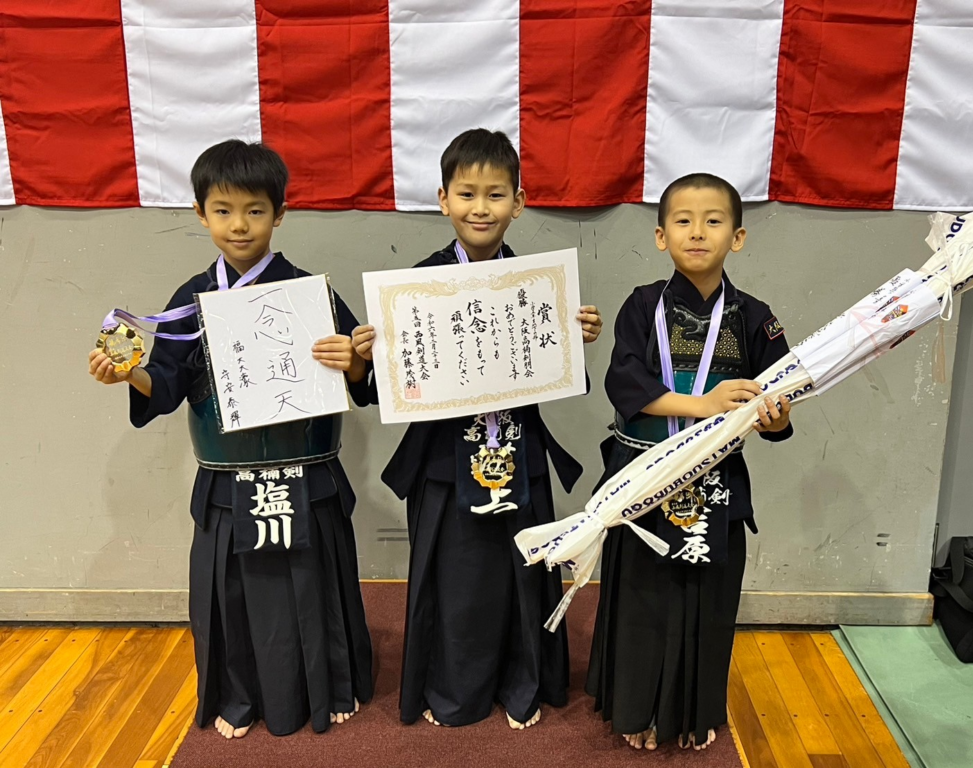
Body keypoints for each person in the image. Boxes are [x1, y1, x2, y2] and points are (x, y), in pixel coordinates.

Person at [87, 140, 375, 739]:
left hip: (306, 473)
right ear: (201, 214)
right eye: (223, 210)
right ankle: (239, 696)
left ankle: (330, 686)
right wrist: (130, 374)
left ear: (280, 214)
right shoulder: (190, 302)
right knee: (233, 592)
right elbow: (166, 382)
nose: (239, 224)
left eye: (254, 210)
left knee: (314, 582)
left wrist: (353, 360)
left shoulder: (311, 292)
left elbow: (363, 377)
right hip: (229, 479)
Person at [360, 128, 602, 729]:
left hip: (519, 451)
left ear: (518, 203)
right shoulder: (415, 287)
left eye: (496, 195)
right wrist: (373, 357)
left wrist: (575, 339)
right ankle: (455, 692)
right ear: (443, 199)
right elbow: (389, 390)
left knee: (523, 574)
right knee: (456, 582)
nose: (480, 208)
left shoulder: (538, 284)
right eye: (467, 194)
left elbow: (567, 380)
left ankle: (523, 685)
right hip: (445, 460)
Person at [586, 173, 793, 751]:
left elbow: (780, 409)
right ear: (661, 236)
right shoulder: (642, 305)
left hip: (714, 480)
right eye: (683, 220)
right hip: (643, 475)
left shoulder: (755, 318)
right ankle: (635, 709)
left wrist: (774, 417)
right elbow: (625, 383)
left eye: (713, 221)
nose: (697, 232)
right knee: (643, 596)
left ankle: (692, 713)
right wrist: (703, 404)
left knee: (708, 600)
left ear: (738, 237)